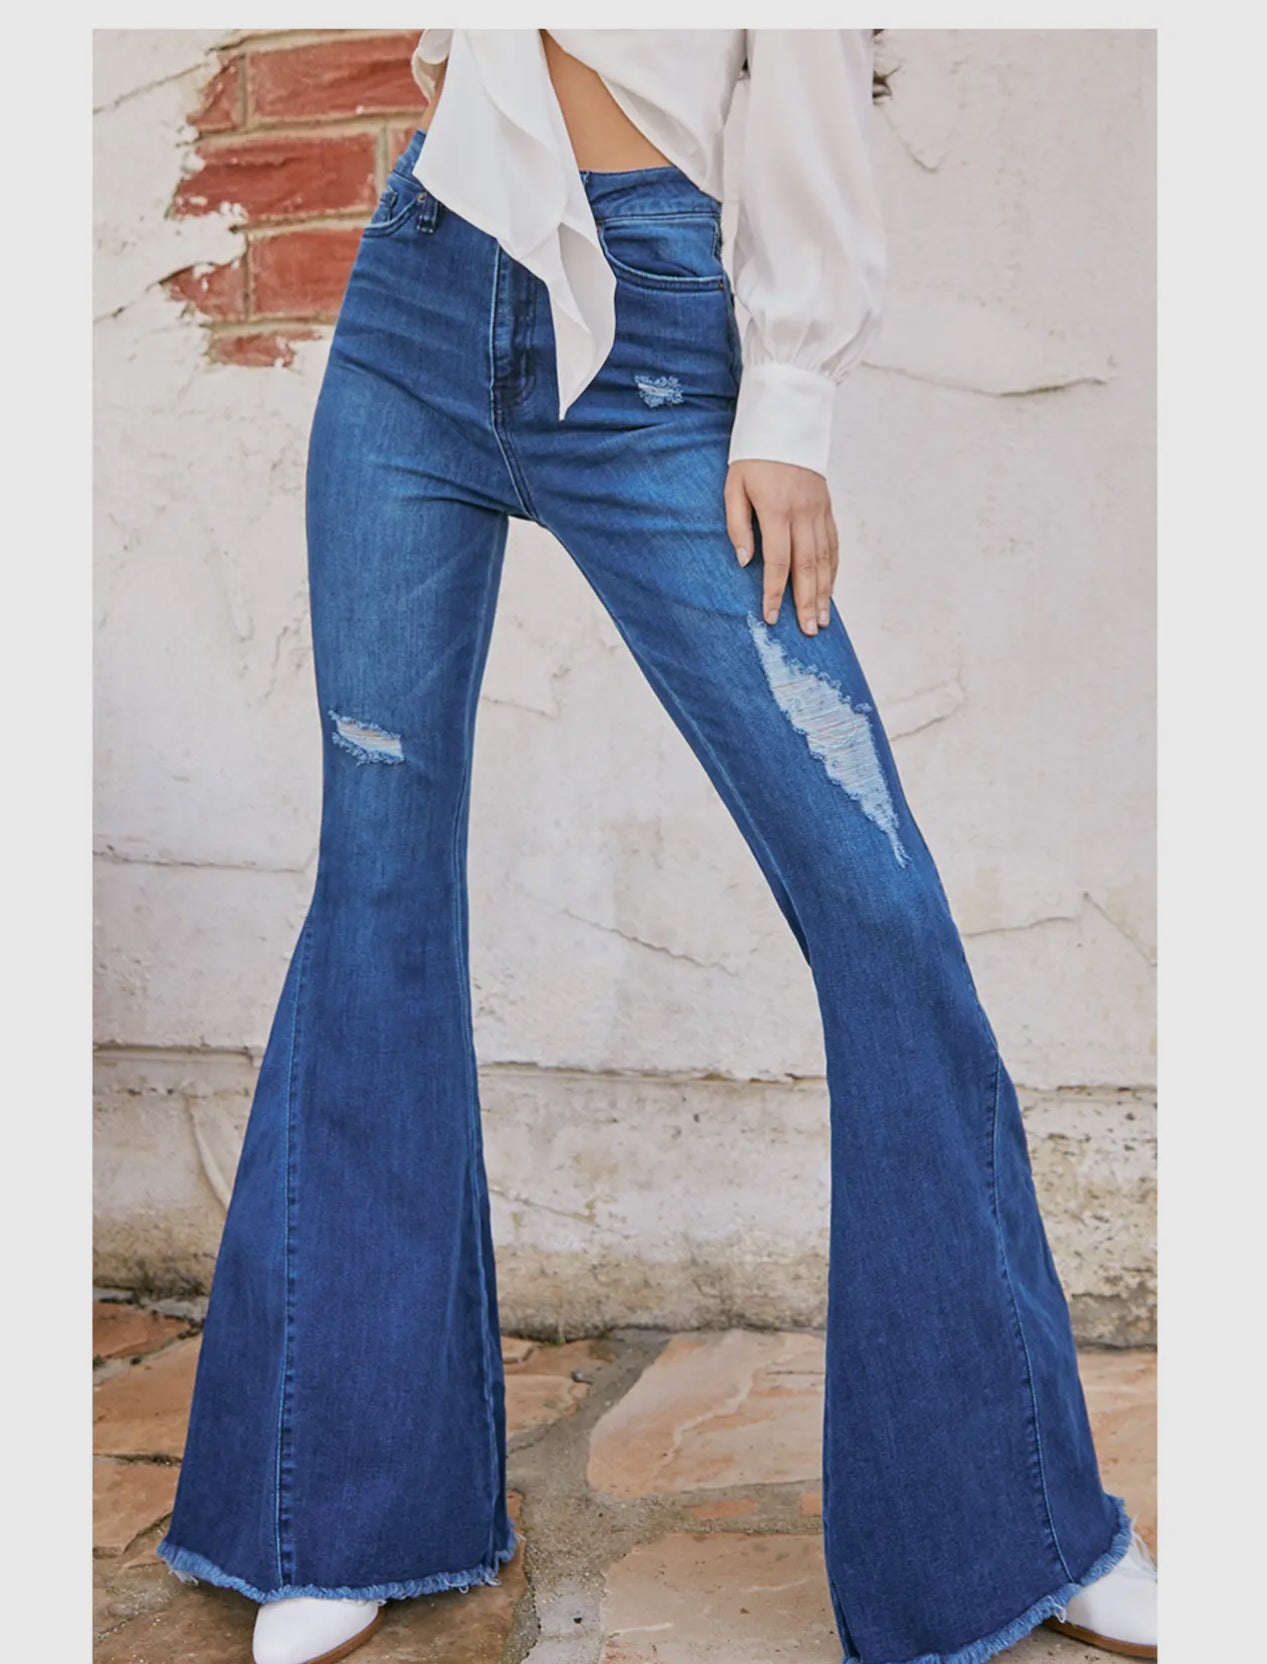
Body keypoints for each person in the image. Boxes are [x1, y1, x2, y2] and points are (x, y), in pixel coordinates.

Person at [157, 29, 1157, 1664]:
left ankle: (1018, 1527)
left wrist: (793, 404)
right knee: (378, 893)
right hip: (419, 298)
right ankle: (341, 1509)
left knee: (878, 907)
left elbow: (808, 66)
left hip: (664, 339)